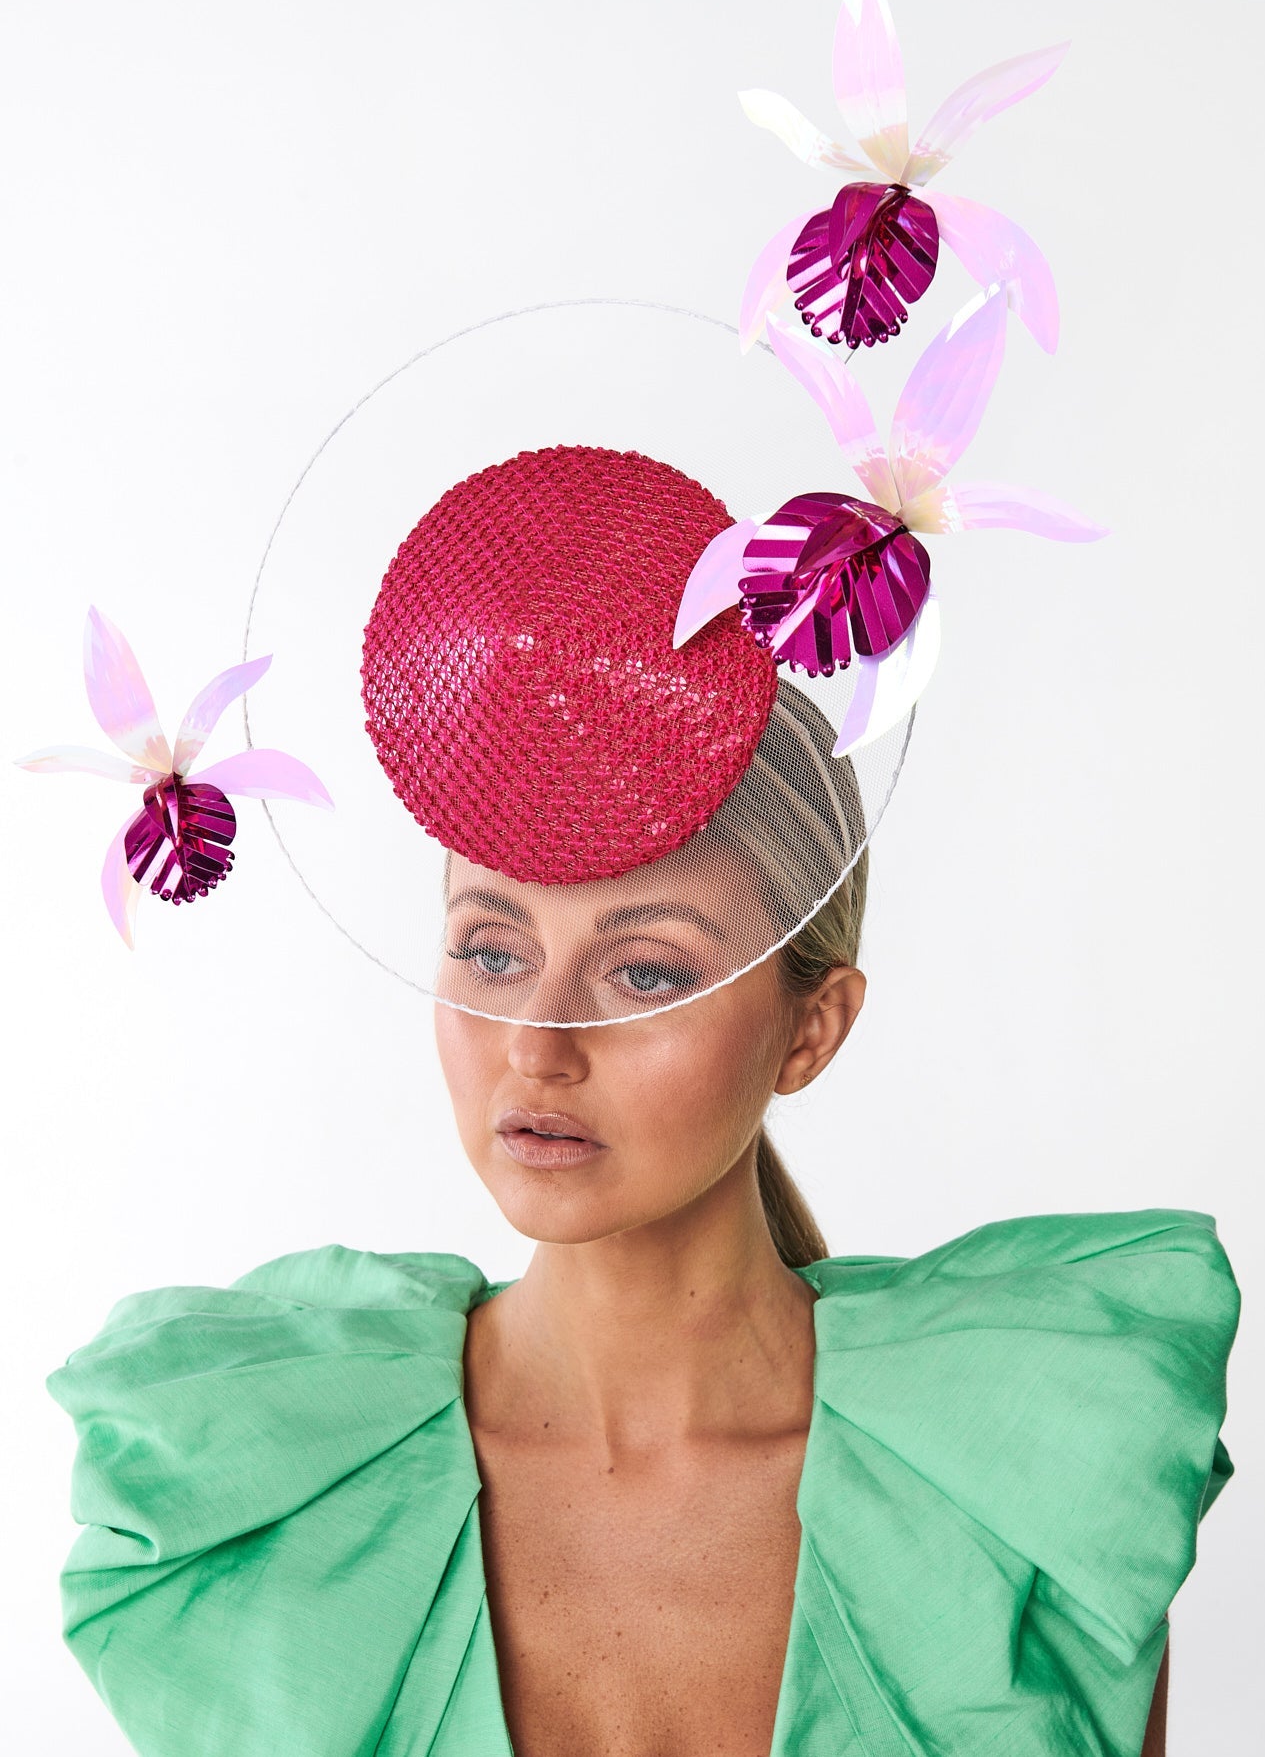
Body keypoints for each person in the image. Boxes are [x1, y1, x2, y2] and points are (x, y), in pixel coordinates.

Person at [44, 443, 1237, 1757]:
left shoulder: (1012, 1498)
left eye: (645, 967)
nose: (538, 1041)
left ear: (810, 1026)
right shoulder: (265, 1497)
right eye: (492, 949)